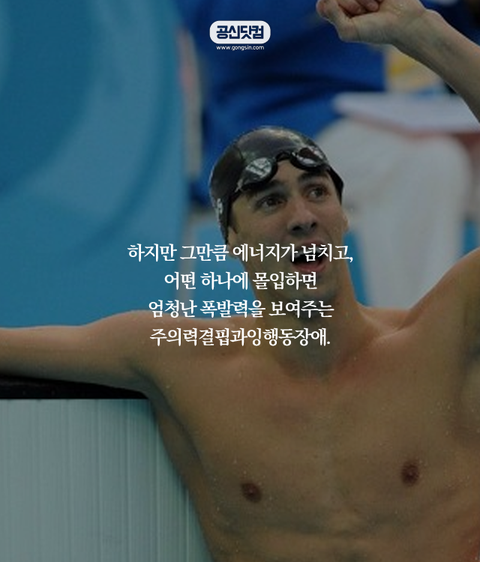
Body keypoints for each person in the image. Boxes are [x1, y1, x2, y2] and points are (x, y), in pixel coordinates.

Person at [2, 2, 480, 561]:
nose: (302, 217)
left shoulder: (440, 343)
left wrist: (423, 31)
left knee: (433, 165)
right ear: (234, 240)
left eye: (317, 192)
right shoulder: (182, 361)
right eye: (271, 201)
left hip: (378, 113)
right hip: (274, 110)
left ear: (343, 216)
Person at [176, 0, 480, 308]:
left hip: (415, 110)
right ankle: (421, 337)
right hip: (284, 119)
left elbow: (450, 25)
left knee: (439, 158)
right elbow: (220, 35)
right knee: (427, 163)